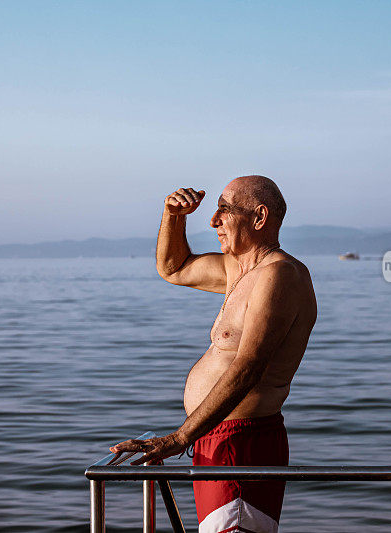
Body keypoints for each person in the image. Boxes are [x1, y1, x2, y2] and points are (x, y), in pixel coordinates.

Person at [109, 175, 317, 533]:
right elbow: (173, 268)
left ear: (259, 217)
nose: (213, 220)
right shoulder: (237, 270)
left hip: (242, 443)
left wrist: (178, 438)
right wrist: (173, 215)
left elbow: (249, 366)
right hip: (211, 437)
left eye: (224, 210)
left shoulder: (279, 275)